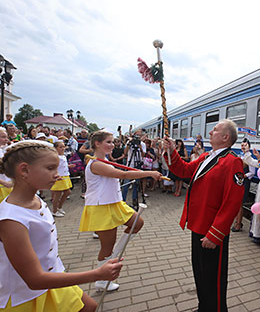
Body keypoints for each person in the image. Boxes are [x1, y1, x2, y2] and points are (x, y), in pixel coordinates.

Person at [0, 140, 123, 312]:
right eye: (50, 168)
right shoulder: (11, 220)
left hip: (52, 278)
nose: (57, 175)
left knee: (90, 307)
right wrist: (97, 274)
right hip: (26, 297)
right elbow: (34, 280)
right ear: (24, 170)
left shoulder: (35, 199)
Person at [162, 119, 245, 312]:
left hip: (211, 230)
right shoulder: (208, 156)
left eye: (215, 130)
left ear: (225, 137)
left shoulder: (233, 162)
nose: (210, 132)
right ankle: (204, 307)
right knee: (200, 273)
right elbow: (184, 170)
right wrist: (171, 150)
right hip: (198, 225)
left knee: (213, 278)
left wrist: (216, 234)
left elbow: (232, 202)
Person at [78, 130, 162, 291]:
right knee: (106, 247)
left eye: (112, 142)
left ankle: (115, 256)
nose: (112, 145)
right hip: (101, 206)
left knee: (138, 223)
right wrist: (150, 173)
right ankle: (102, 280)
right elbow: (123, 175)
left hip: (114, 203)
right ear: (97, 144)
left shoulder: (103, 160)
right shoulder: (96, 164)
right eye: (108, 142)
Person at [232, 138, 256, 232]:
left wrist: (243, 176)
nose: (243, 147)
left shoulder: (250, 159)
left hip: (244, 182)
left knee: (240, 203)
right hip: (238, 182)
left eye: (245, 145)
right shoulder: (240, 156)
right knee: (236, 203)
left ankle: (238, 224)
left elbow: (252, 172)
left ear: (249, 147)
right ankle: (236, 222)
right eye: (242, 145)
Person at [121, 130, 146, 206]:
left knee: (136, 184)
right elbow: (125, 153)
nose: (137, 137)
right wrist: (129, 144)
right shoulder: (129, 142)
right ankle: (123, 201)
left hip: (138, 165)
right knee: (126, 183)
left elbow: (143, 155)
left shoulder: (142, 144)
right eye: (136, 136)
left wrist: (140, 148)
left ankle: (135, 200)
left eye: (139, 136)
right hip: (130, 165)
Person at [50, 141, 73, 217]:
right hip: (59, 177)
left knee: (68, 192)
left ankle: (59, 207)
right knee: (57, 195)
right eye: (60, 147)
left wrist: (69, 166)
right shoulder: (55, 157)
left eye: (63, 146)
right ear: (55, 148)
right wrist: (56, 175)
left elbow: (62, 165)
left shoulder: (63, 156)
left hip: (65, 176)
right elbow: (53, 167)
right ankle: (54, 210)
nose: (63, 148)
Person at [0, 128, 13, 201]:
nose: (6, 139)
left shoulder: (2, 149)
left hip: (6, 185)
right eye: (3, 137)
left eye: (7, 137)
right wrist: (4, 183)